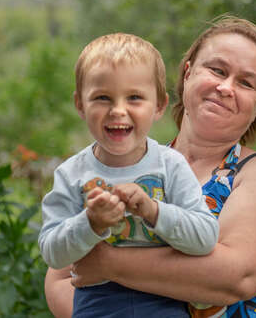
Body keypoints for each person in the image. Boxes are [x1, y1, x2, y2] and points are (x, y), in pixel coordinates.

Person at [43, 16, 256, 318]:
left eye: (246, 83)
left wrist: (108, 264)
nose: (225, 87)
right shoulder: (130, 161)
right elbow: (59, 277)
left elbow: (237, 277)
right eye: (217, 70)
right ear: (187, 73)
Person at [38, 33, 219, 317]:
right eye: (102, 98)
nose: (118, 110)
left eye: (134, 97)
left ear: (159, 105)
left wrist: (153, 210)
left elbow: (205, 237)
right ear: (80, 104)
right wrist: (90, 223)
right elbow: (52, 252)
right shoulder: (71, 173)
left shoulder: (170, 165)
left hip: (164, 298)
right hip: (97, 304)